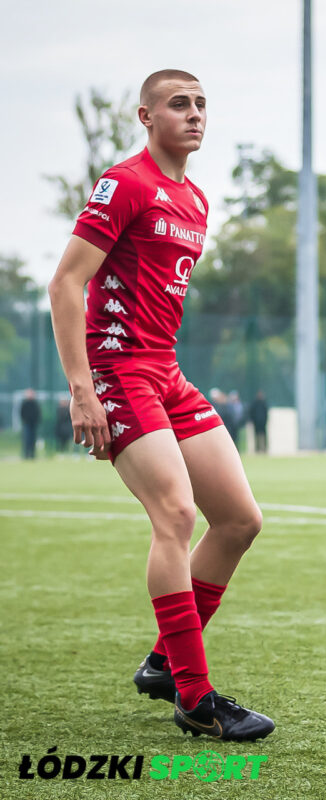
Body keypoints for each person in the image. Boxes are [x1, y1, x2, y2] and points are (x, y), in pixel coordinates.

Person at [46, 69, 273, 741]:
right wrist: (82, 389)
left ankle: (161, 662)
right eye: (180, 104)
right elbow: (65, 284)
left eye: (202, 104)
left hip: (168, 373)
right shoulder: (125, 183)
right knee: (175, 515)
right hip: (119, 374)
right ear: (146, 116)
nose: (195, 114)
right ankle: (195, 697)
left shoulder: (196, 199)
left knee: (238, 520)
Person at [19, 388, 41, 459]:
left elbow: (38, 413)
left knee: (33, 439)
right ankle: (26, 454)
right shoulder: (24, 403)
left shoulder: (35, 403)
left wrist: (36, 421)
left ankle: (32, 454)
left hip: (33, 424)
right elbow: (21, 413)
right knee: (27, 439)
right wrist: (24, 420)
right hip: (27, 424)